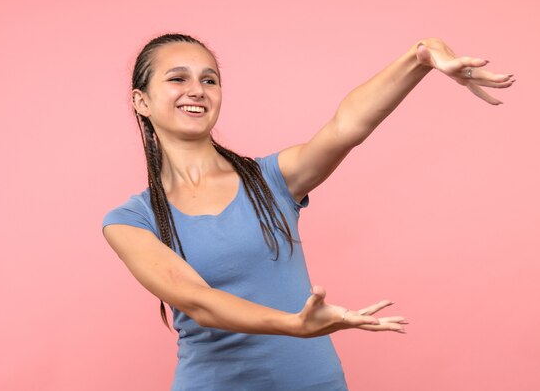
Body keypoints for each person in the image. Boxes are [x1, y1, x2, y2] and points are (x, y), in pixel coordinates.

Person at [102, 33, 514, 390]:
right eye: (178, 78)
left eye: (209, 80)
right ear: (142, 101)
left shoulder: (270, 180)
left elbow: (346, 126)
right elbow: (198, 301)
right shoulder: (130, 221)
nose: (197, 89)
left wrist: (420, 57)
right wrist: (294, 325)